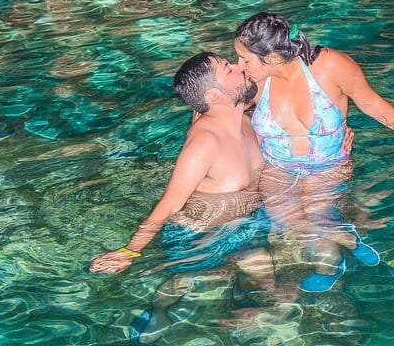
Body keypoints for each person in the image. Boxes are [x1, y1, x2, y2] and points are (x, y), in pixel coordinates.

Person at [233, 12, 394, 292]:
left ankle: (327, 266)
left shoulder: (330, 65)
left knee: (318, 213)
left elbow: (369, 102)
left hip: (328, 167)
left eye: (244, 59)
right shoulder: (252, 80)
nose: (239, 66)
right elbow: (214, 110)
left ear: (273, 57)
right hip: (277, 168)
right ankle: (348, 241)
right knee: (285, 220)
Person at [90, 52, 275, 343]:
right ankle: (159, 310)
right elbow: (171, 203)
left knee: (267, 280)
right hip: (199, 234)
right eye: (228, 68)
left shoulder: (242, 117)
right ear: (214, 96)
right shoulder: (205, 143)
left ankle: (244, 302)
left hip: (246, 221)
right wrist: (131, 251)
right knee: (190, 282)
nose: (238, 66)